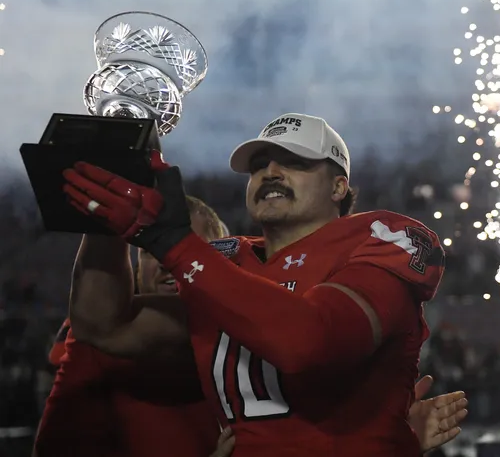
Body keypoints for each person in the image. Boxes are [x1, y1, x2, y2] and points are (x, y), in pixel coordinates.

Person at [61, 113, 463, 456]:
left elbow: (312, 342)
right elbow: (104, 326)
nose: (270, 172)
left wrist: (175, 244)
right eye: (260, 165)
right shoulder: (224, 259)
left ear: (339, 187)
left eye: (294, 162)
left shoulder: (382, 237)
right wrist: (105, 219)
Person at [34, 196, 230, 457]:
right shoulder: (93, 338)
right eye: (150, 249)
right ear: (135, 267)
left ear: (225, 263)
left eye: (186, 246)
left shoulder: (249, 336)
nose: (165, 259)